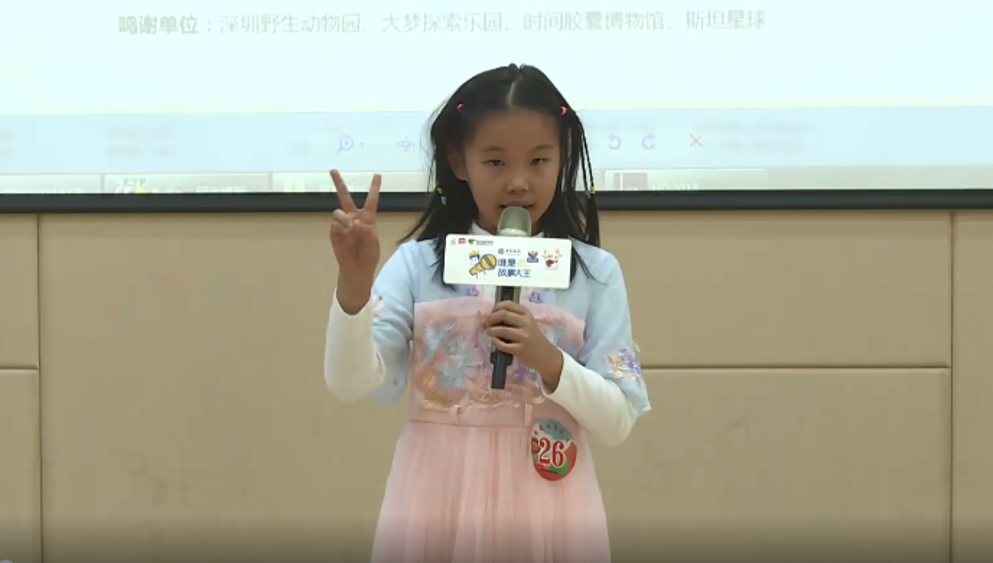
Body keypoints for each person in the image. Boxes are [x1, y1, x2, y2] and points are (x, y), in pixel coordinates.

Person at [323, 63, 651, 563]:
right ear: (459, 161)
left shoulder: (594, 273)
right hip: (436, 496)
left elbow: (618, 420)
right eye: (495, 162)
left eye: (539, 161)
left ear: (562, 159)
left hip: (549, 499)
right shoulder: (418, 265)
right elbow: (350, 383)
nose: (519, 182)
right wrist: (354, 284)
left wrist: (549, 360)